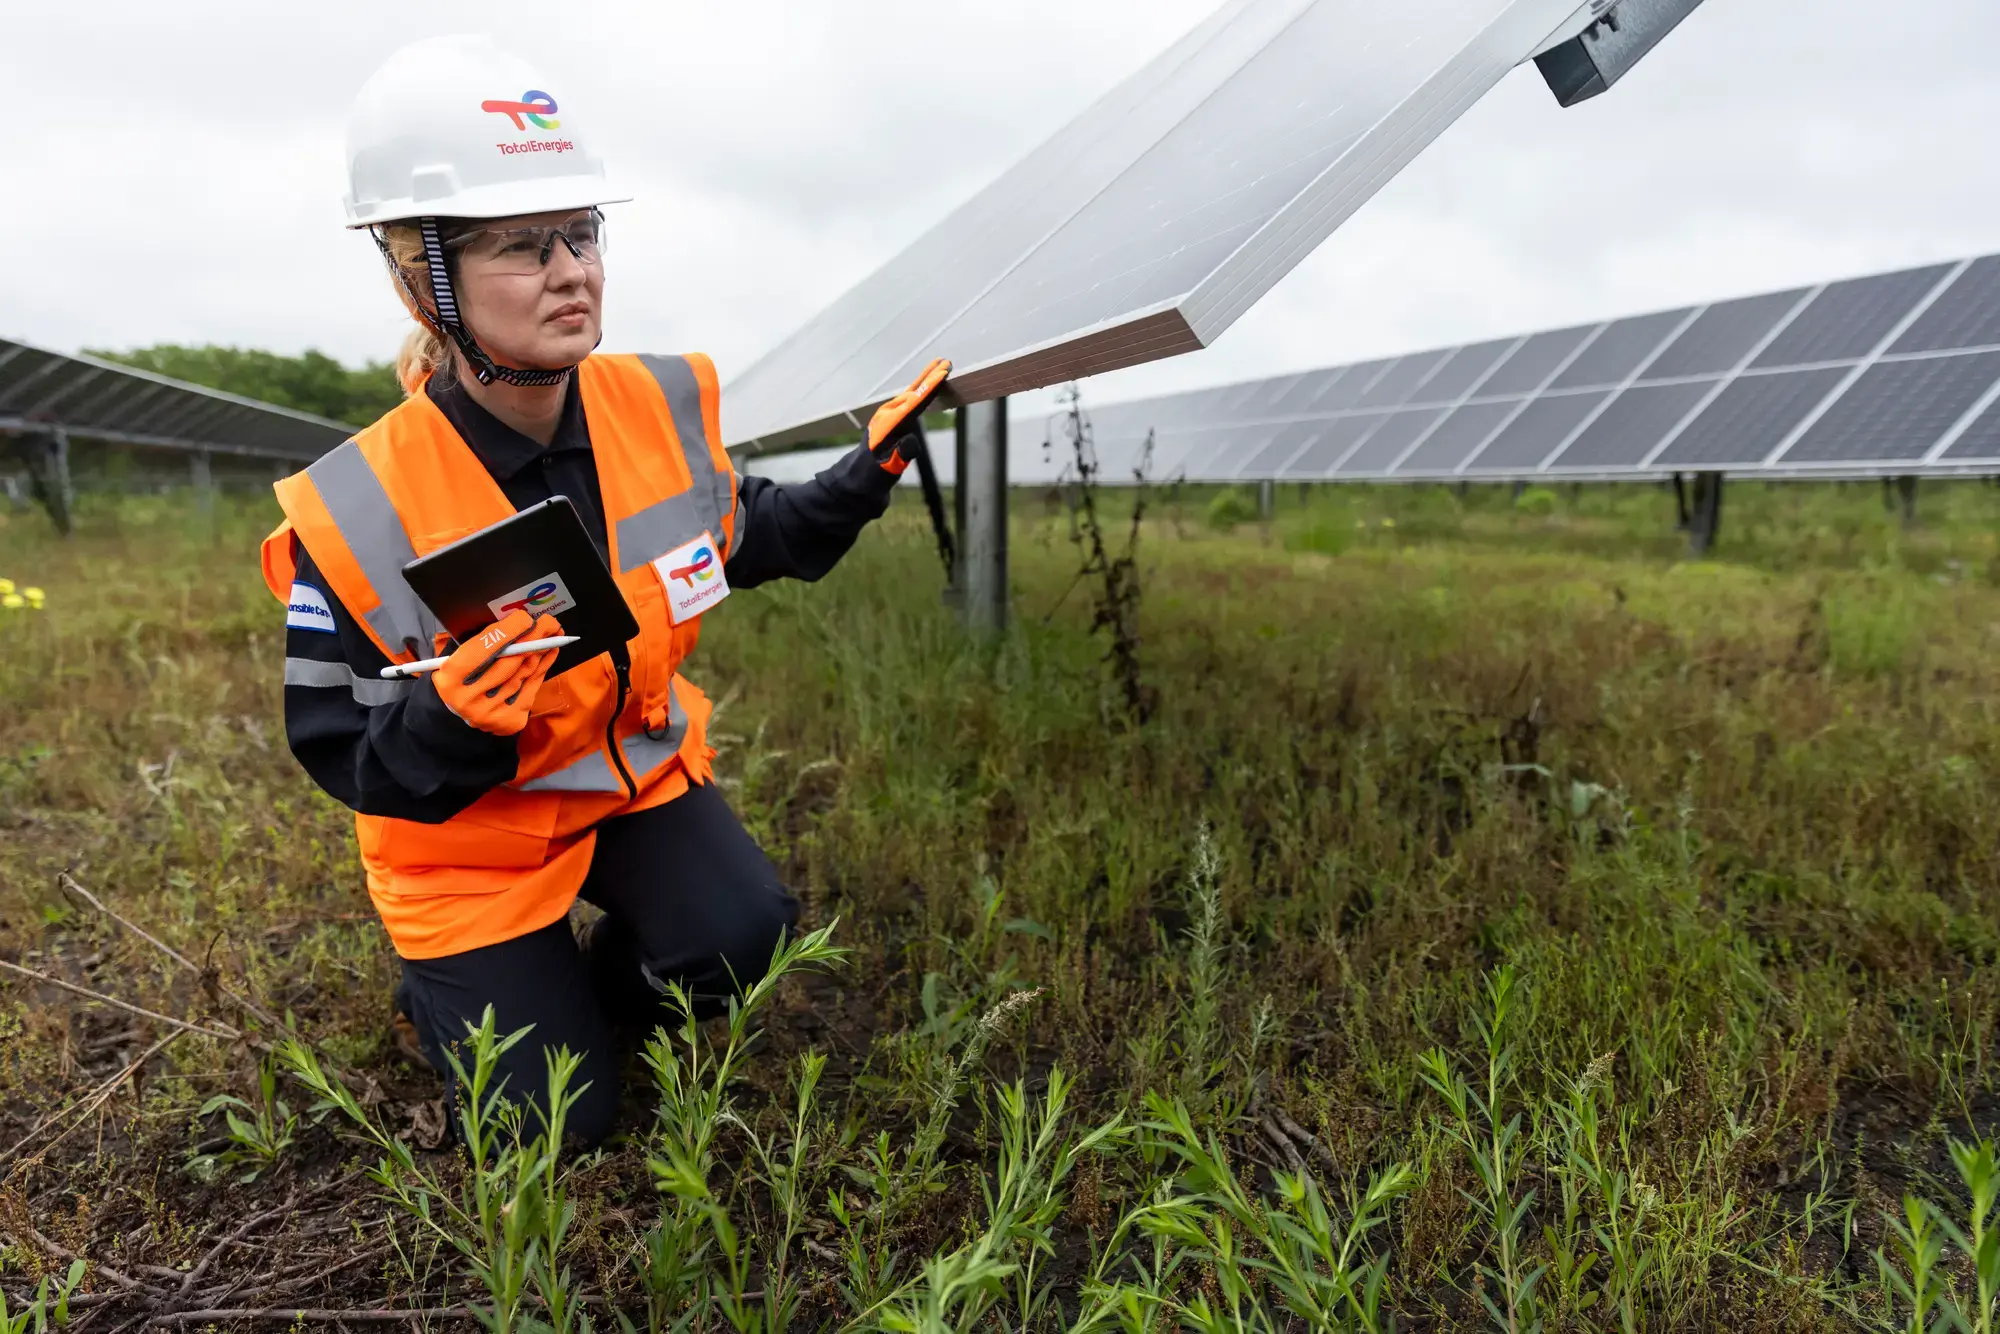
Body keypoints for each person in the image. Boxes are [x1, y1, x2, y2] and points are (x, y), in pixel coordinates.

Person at [259, 35, 950, 1147]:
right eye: (522, 247)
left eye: (580, 233)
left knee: (743, 936)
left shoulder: (650, 407)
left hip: (629, 778)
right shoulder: (357, 505)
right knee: (554, 1126)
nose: (570, 269)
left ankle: (580, 995)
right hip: (469, 843)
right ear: (423, 280)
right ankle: (454, 998)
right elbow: (345, 750)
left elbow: (740, 535)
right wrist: (448, 718)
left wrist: (860, 477)